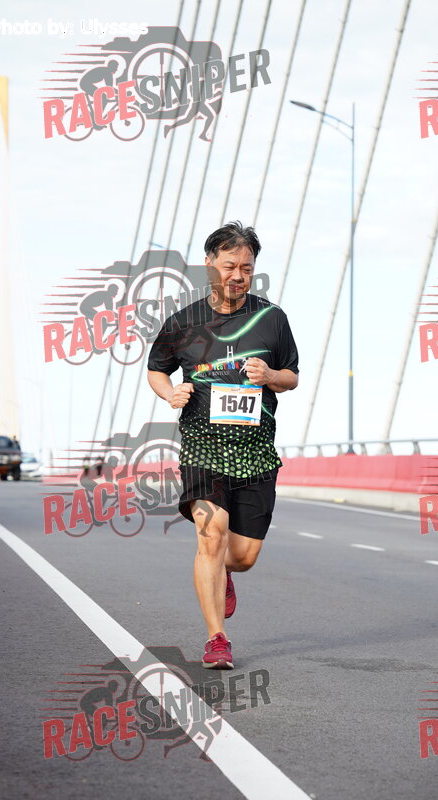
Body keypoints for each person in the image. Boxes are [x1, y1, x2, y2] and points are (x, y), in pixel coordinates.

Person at [147, 221, 299, 669]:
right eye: (230, 266)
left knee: (244, 557)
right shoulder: (183, 322)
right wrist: (169, 393)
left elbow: (291, 376)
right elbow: (157, 369)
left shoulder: (272, 319)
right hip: (203, 446)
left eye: (246, 268)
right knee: (210, 535)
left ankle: (224, 574)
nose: (238, 275)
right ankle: (217, 638)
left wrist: (270, 376)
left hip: (255, 451)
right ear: (210, 264)